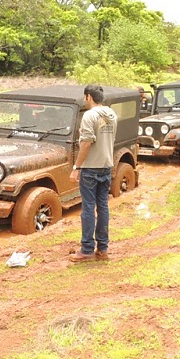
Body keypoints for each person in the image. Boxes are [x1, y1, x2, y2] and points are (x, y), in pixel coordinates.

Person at [68, 85, 118, 262]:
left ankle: (87, 249)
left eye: (84, 97)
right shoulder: (112, 114)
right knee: (102, 206)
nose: (84, 100)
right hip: (107, 165)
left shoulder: (89, 116)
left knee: (88, 208)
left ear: (89, 97)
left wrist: (76, 168)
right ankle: (102, 249)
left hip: (91, 168)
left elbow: (87, 143)